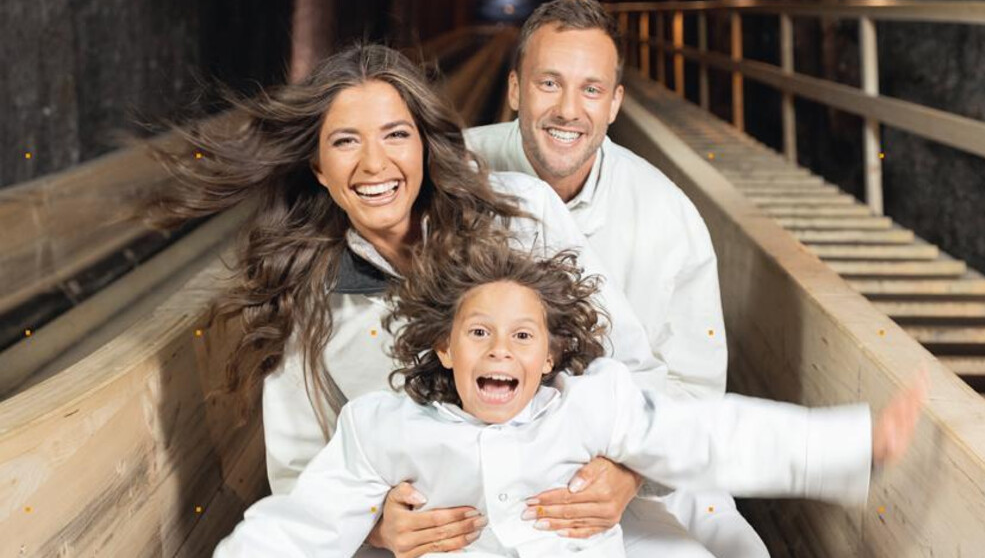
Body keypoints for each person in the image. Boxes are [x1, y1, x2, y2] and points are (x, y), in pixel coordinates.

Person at [141, 43, 739, 557]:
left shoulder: (522, 213)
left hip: (575, 525)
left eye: (396, 135)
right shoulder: (308, 295)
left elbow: (635, 370)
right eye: (346, 142)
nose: (375, 164)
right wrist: (377, 527)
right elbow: (302, 473)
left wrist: (628, 474)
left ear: (425, 145)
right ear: (318, 167)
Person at [213, 245, 924, 558]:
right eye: (479, 333)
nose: (500, 350)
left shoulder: (591, 405)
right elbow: (300, 524)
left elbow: (709, 435)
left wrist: (852, 443)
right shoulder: (385, 427)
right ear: (444, 349)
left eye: (523, 336)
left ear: (550, 356)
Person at [459, 0, 762, 556]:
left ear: (615, 103)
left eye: (591, 89)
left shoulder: (667, 217)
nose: (569, 110)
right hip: (471, 459)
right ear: (514, 90)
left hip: (623, 470)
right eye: (549, 83)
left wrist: (631, 473)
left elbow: (693, 392)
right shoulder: (452, 177)